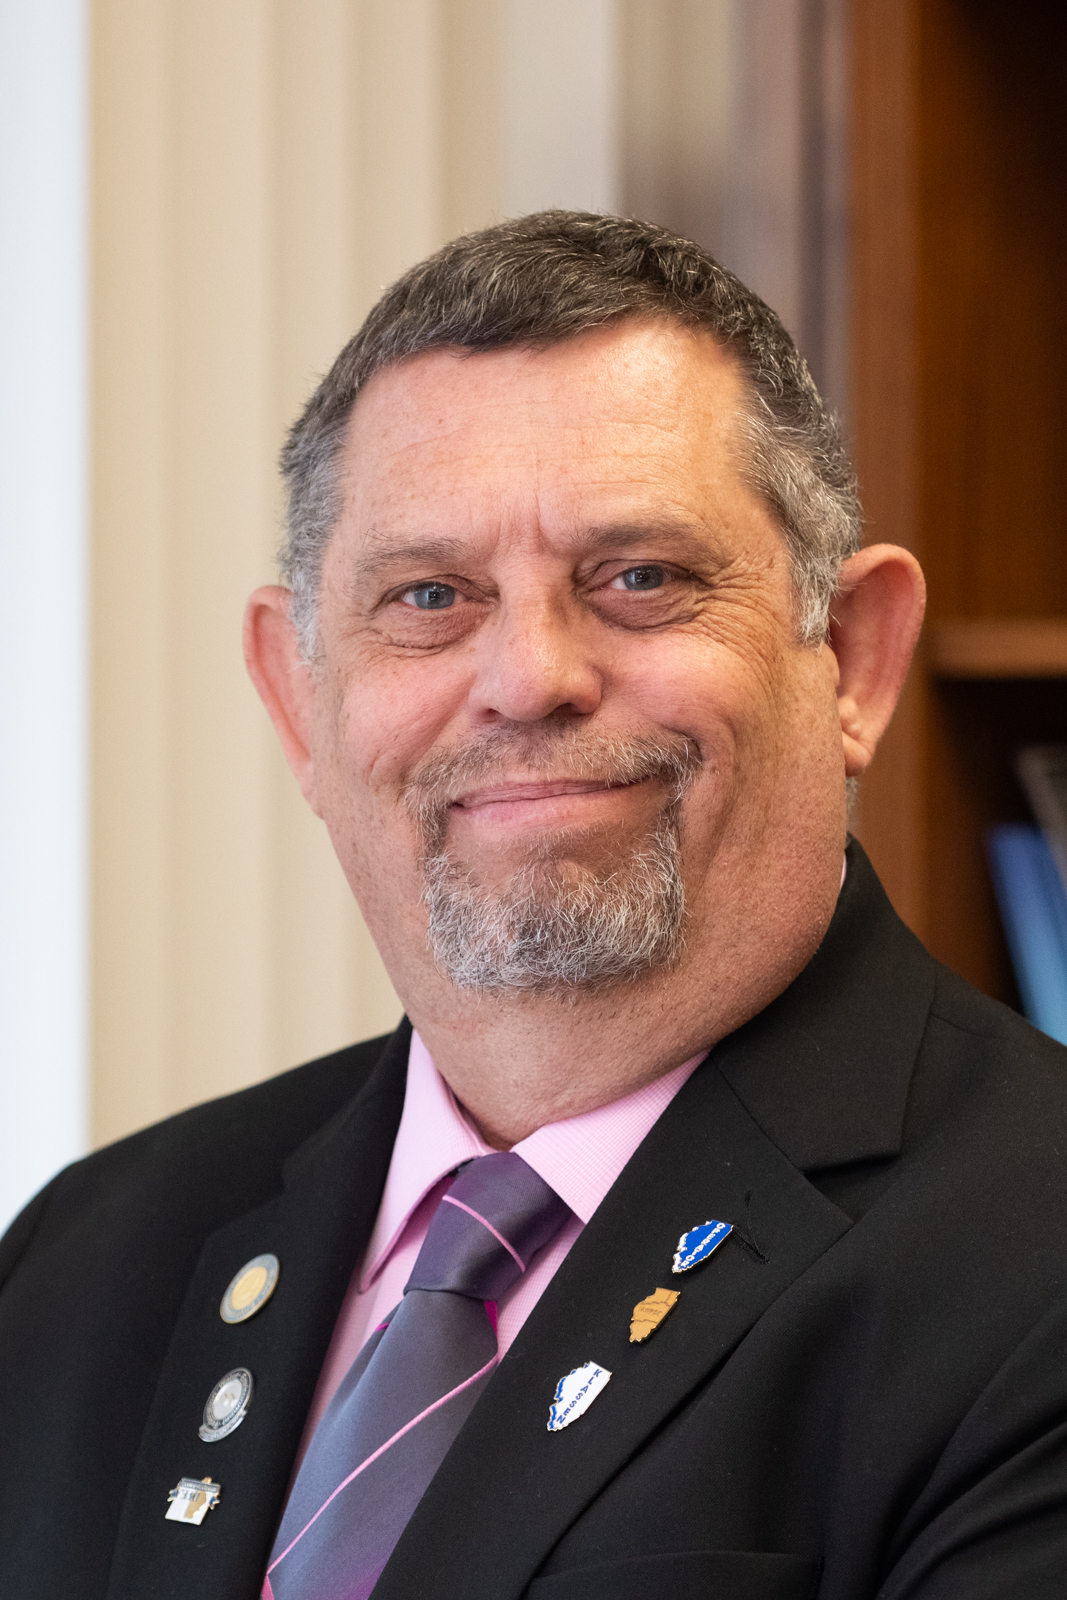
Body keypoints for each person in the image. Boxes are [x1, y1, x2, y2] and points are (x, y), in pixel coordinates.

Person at [2, 212, 1066, 1600]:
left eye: (639, 578)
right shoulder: (81, 1264)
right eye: (431, 597)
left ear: (853, 661)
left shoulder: (1036, 1264)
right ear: (296, 700)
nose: (529, 676)